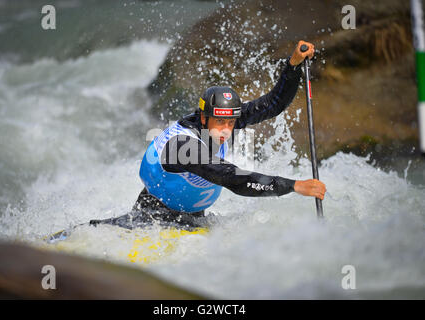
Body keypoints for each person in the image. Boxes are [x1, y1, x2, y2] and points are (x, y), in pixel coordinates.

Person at [90, 40, 326, 231]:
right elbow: (232, 178)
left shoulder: (224, 121)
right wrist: (292, 185)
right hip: (152, 220)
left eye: (231, 122)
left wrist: (293, 66)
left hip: (194, 220)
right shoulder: (183, 146)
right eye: (220, 122)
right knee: (95, 233)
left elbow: (273, 104)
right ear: (203, 118)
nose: (226, 129)